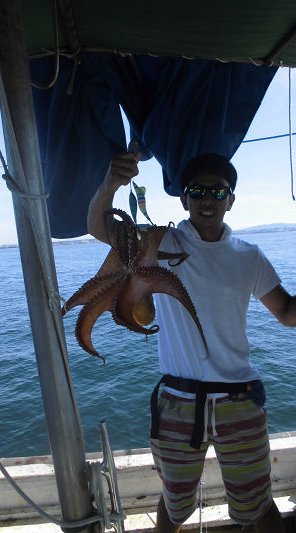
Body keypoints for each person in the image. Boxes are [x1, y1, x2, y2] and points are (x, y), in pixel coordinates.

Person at [87, 151, 296, 533]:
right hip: (179, 403)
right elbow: (102, 229)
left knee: (258, 506)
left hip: (240, 399)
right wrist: (108, 187)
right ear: (184, 199)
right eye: (197, 191)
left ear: (230, 200)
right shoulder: (158, 244)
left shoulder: (250, 257)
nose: (207, 199)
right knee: (174, 503)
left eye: (218, 191)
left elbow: (286, 312)